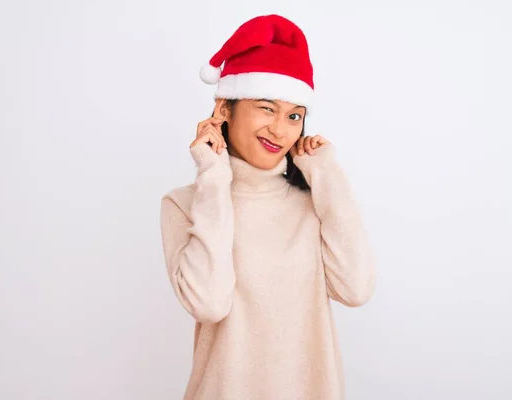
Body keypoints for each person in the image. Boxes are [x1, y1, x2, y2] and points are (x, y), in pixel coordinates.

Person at [159, 14, 377, 400]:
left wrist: (326, 174)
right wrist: (213, 176)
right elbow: (208, 303)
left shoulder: (314, 200)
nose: (281, 129)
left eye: (294, 115)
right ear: (223, 110)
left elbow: (356, 289)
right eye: (266, 108)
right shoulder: (185, 204)